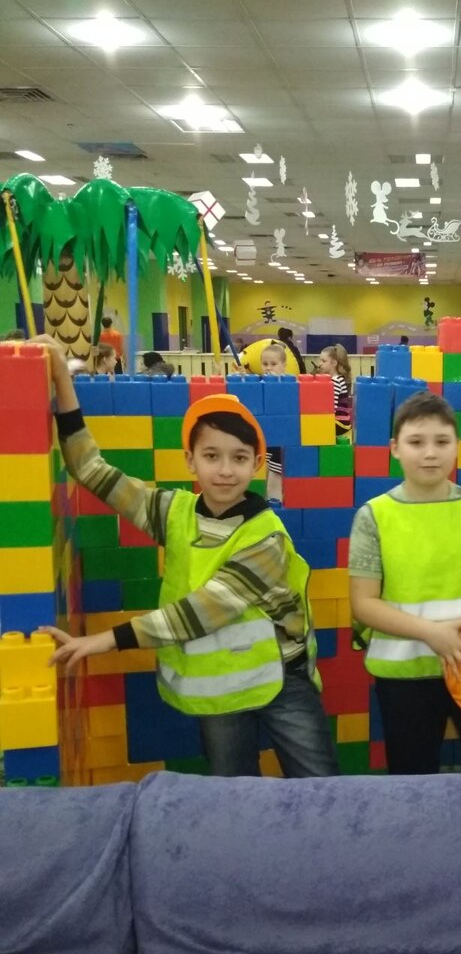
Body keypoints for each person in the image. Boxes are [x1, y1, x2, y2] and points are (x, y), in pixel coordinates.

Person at [28, 334, 339, 780]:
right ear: (190, 460)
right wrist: (61, 378)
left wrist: (103, 641)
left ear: (256, 464)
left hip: (282, 677)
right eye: (212, 456)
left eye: (239, 458)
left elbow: (202, 612)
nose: (225, 470)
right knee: (232, 795)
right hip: (218, 684)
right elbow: (91, 470)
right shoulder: (174, 512)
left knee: (320, 788)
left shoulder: (266, 536)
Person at [349, 391, 461, 775]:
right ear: (395, 448)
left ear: (457, 446)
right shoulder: (374, 516)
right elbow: (364, 603)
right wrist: (431, 633)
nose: (430, 453)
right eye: (416, 442)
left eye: (442, 442)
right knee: (413, 776)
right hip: (405, 675)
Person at [259, 341, 293, 502]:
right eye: (265, 364)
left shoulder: (289, 384)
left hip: (282, 438)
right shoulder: (260, 383)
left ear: (284, 365)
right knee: (262, 470)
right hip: (264, 436)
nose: (268, 368)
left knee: (276, 474)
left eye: (273, 364)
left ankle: (276, 501)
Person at [318, 344, 352, 437]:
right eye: (320, 360)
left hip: (340, 423)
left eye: (323, 361)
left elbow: (332, 408)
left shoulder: (335, 381)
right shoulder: (336, 379)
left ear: (334, 363)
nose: (320, 364)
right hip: (340, 422)